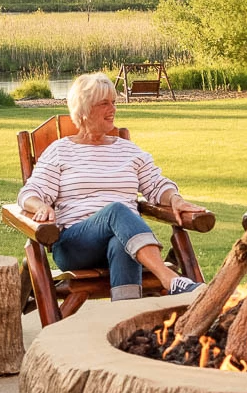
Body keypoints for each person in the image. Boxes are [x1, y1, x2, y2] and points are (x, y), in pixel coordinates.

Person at [18, 72, 207, 300]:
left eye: (114, 103)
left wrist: (175, 199)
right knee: (117, 210)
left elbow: (157, 185)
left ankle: (126, 319)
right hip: (75, 245)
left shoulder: (128, 151)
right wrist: (40, 205)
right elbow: (30, 192)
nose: (113, 109)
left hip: (124, 238)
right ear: (85, 110)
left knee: (122, 243)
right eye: (104, 103)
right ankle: (169, 279)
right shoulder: (60, 151)